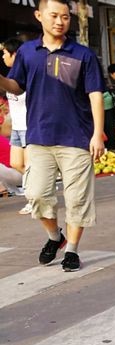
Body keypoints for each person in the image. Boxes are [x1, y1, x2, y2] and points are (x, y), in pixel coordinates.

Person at [0, 0, 105, 273]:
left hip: (77, 138)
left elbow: (95, 95)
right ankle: (54, 237)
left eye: (65, 17)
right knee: (36, 194)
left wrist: (97, 134)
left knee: (77, 199)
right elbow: (17, 85)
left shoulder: (84, 55)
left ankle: (71, 249)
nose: (60, 21)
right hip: (39, 136)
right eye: (54, 15)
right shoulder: (27, 52)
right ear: (39, 16)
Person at [2, 37, 30, 214]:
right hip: (17, 128)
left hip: (29, 127)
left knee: (28, 166)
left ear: (14, 54)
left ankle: (34, 198)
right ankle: (40, 190)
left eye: (4, 53)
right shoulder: (10, 76)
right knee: (16, 163)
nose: (2, 56)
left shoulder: (27, 74)